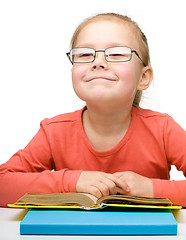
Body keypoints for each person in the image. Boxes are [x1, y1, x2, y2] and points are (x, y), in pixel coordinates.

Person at [0, 13, 186, 208]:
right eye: (85, 54)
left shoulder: (163, 129)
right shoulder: (54, 131)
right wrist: (73, 181)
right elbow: (3, 184)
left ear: (143, 77)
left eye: (116, 53)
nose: (97, 62)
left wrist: (151, 189)